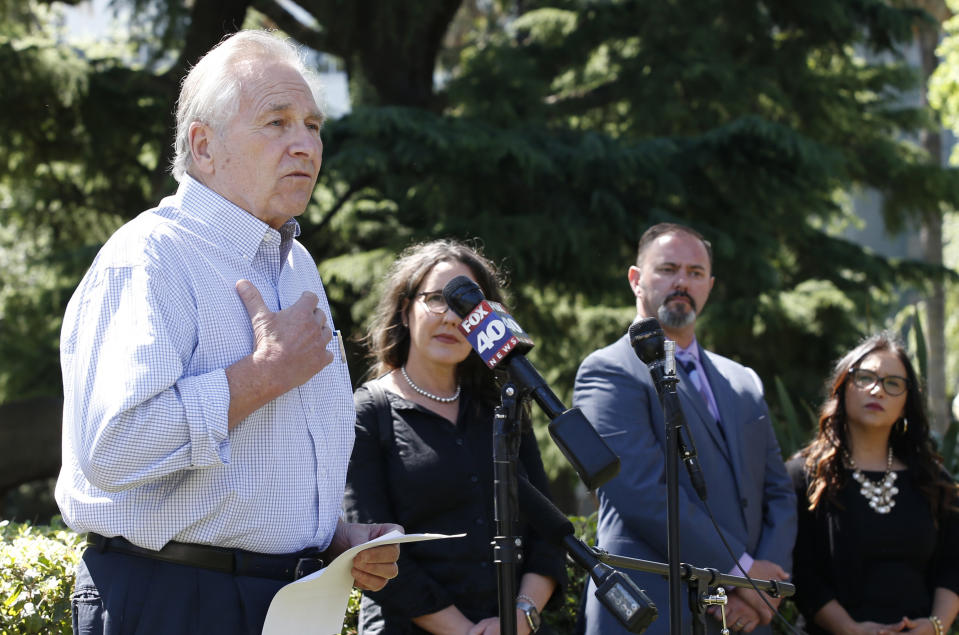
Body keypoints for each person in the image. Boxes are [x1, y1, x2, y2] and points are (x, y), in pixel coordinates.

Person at [55, 30, 400, 635]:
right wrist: (258, 378)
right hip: (172, 601)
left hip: (292, 599)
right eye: (277, 122)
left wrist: (335, 537)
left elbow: (265, 472)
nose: (306, 146)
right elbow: (111, 449)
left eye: (314, 126)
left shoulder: (298, 266)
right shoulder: (149, 257)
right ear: (204, 146)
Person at [573, 222, 797, 634]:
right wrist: (738, 574)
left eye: (695, 273)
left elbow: (778, 492)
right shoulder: (607, 371)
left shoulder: (743, 381)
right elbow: (638, 489)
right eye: (668, 269)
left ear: (709, 286)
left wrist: (766, 584)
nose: (682, 282)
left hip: (745, 619)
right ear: (636, 280)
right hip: (650, 610)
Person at [343, 239, 566, 635]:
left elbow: (548, 532)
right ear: (406, 310)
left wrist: (522, 616)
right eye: (436, 299)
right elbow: (373, 551)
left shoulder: (505, 405)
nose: (451, 318)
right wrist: (462, 631)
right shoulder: (368, 412)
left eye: (467, 306)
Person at [787, 332, 959, 635]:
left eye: (893, 383)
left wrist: (936, 625)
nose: (877, 390)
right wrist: (850, 629)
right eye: (865, 378)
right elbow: (802, 572)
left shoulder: (934, 481)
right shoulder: (804, 477)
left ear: (907, 403)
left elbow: (953, 564)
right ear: (843, 387)